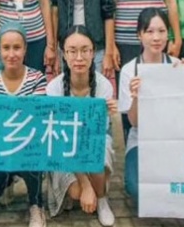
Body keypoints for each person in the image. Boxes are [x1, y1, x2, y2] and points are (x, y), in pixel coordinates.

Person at [0, 22, 48, 227]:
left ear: (25, 49)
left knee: (33, 152)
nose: (11, 54)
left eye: (17, 47)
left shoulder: (38, 78)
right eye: (6, 48)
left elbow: (35, 120)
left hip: (27, 146)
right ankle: (7, 180)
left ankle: (36, 206)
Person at [46, 26, 117, 227]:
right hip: (64, 145)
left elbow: (96, 136)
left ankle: (102, 200)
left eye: (85, 50)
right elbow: (62, 138)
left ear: (93, 52)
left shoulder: (104, 86)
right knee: (78, 191)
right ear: (64, 54)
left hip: (93, 141)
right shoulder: (54, 88)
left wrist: (107, 113)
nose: (79, 57)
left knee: (98, 151)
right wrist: (85, 185)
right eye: (72, 51)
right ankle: (88, 188)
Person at [119, 8, 183, 205]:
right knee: (137, 188)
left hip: (173, 139)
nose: (156, 38)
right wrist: (137, 97)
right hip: (142, 140)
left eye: (162, 31)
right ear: (139, 35)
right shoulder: (130, 70)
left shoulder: (177, 66)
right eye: (149, 31)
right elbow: (133, 122)